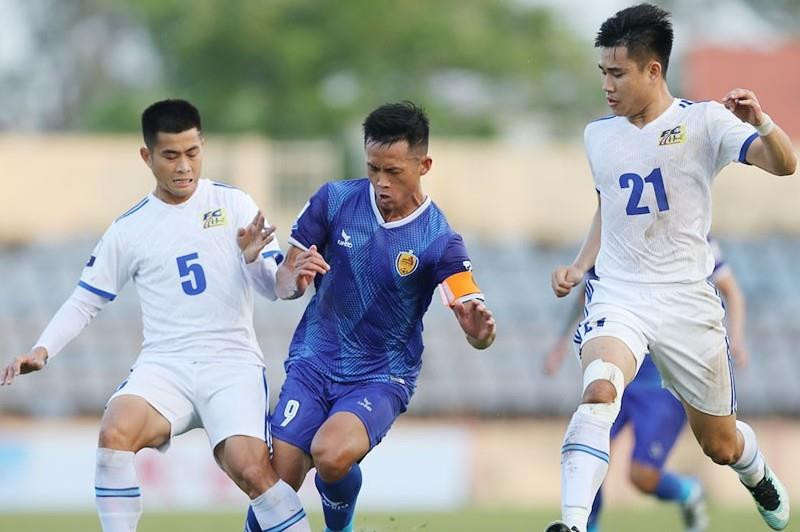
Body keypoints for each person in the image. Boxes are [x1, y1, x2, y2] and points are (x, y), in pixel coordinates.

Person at [0, 99, 311, 532]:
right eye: (170, 155)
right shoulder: (130, 228)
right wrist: (42, 349)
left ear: (202, 146)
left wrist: (261, 262)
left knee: (251, 469)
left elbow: (276, 289)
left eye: (192, 152)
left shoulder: (234, 203)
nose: (184, 166)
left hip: (232, 363)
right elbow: (85, 300)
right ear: (147, 156)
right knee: (115, 433)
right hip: (166, 364)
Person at [545, 4, 795, 532]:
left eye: (617, 73)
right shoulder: (599, 135)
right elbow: (608, 208)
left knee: (720, 445)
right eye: (602, 72)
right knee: (599, 389)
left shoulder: (703, 122)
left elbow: (785, 164)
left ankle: (755, 470)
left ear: (652, 70)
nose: (606, 85)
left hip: (687, 300)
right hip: (620, 293)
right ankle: (571, 524)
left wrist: (762, 122)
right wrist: (580, 265)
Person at [264, 101, 496, 532]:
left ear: (424, 165)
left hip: (381, 375)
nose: (381, 182)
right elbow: (283, 282)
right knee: (277, 483)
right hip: (314, 360)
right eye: (373, 168)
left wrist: (478, 334)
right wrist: (294, 279)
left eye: (393, 171)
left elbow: (472, 314)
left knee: (331, 454)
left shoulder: (440, 239)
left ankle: (340, 528)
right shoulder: (333, 200)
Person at [544, 238, 747, 532]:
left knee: (642, 476)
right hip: (619, 363)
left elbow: (731, 290)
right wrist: (561, 341)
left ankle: (688, 491)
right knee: (591, 440)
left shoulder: (691, 234)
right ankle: (586, 526)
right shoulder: (612, 230)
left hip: (660, 378)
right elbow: (587, 293)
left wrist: (736, 339)